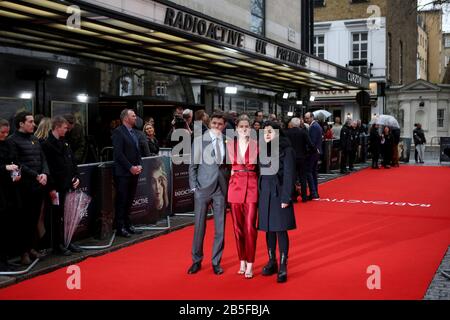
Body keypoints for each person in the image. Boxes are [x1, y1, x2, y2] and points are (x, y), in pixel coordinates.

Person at [188, 113, 229, 275]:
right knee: (199, 227)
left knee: (220, 229)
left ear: (224, 125)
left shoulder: (228, 140)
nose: (217, 126)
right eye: (214, 123)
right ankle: (196, 260)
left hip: (220, 190)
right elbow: (192, 166)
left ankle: (216, 262)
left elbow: (229, 166)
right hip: (202, 189)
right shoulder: (199, 140)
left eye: (220, 124)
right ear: (209, 123)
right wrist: (194, 188)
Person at [8, 111, 49, 265]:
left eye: (33, 121)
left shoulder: (35, 139)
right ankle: (23, 252)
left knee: (34, 219)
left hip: (38, 186)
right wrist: (35, 175)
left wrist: (44, 173)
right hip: (23, 187)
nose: (34, 124)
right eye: (30, 122)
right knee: (23, 221)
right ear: (21, 124)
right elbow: (17, 163)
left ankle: (32, 247)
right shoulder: (12, 141)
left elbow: (43, 158)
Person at [259, 121, 296, 283]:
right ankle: (271, 261)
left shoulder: (287, 150)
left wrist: (286, 197)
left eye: (270, 131)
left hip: (279, 192)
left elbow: (289, 174)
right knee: (268, 229)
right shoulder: (262, 148)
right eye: (265, 132)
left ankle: (283, 265)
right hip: (264, 192)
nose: (267, 134)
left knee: (280, 229)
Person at [41, 116, 81, 256]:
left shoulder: (66, 143)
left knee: (68, 215)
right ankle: (57, 245)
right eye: (65, 128)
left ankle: (68, 241)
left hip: (68, 185)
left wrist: (76, 177)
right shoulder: (46, 145)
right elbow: (47, 168)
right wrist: (51, 188)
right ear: (57, 127)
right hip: (56, 187)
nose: (67, 130)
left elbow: (72, 162)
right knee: (56, 217)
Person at [227, 115, 258, 279]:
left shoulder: (256, 145)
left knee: (250, 227)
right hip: (235, 188)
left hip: (252, 188)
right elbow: (226, 168)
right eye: (241, 126)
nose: (244, 128)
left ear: (250, 128)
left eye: (247, 126)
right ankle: (242, 260)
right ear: (237, 128)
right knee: (237, 228)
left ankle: (251, 263)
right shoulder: (230, 145)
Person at [112, 109, 144, 238]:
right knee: (122, 200)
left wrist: (139, 165)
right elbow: (118, 154)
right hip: (123, 173)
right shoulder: (118, 132)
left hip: (134, 172)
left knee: (130, 200)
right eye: (133, 116)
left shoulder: (134, 133)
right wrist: (130, 167)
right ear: (125, 118)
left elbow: (137, 150)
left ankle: (128, 224)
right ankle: (120, 227)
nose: (135, 118)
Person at [0, 119, 21, 270]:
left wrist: (16, 173)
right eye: (2, 132)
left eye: (7, 132)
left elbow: (15, 161)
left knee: (7, 225)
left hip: (9, 189)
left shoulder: (8, 144)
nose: (5, 135)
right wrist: (4, 167)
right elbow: (6, 164)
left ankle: (5, 259)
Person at [285, 118, 315, 203]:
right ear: (299, 124)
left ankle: (293, 197)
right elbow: (310, 144)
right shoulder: (303, 132)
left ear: (292, 124)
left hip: (291, 158)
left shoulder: (287, 133)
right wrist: (309, 153)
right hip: (302, 158)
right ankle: (304, 197)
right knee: (303, 178)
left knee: (292, 178)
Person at [304, 112, 322, 199]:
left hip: (312, 153)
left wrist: (307, 151)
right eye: (305, 118)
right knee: (313, 173)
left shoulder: (314, 127)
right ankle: (315, 192)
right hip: (315, 153)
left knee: (309, 172)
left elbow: (312, 142)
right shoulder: (316, 126)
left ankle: (313, 192)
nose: (306, 120)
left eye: (307, 118)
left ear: (312, 117)